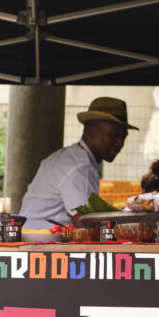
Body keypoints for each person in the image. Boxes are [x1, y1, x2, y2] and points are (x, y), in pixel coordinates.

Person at [20, 97, 137, 232]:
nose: (120, 143)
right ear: (90, 131)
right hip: (41, 240)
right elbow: (85, 226)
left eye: (123, 137)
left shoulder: (70, 156)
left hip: (35, 236)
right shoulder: (79, 166)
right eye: (113, 135)